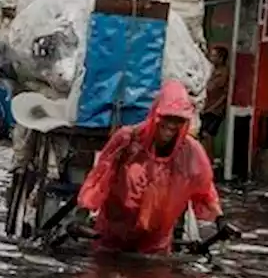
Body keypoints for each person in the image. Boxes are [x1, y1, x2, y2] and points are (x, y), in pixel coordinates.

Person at [77, 80, 222, 255]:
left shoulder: (190, 151)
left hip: (155, 244)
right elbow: (100, 177)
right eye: (167, 117)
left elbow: (205, 188)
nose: (171, 125)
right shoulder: (127, 140)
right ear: (155, 115)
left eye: (178, 120)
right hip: (112, 236)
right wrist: (81, 215)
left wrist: (220, 219)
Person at [200, 45, 230, 159]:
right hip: (207, 107)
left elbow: (222, 93)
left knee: (208, 134)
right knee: (203, 134)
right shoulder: (212, 70)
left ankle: (209, 159)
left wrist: (213, 107)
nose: (211, 57)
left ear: (221, 58)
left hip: (215, 109)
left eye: (214, 55)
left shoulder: (223, 73)